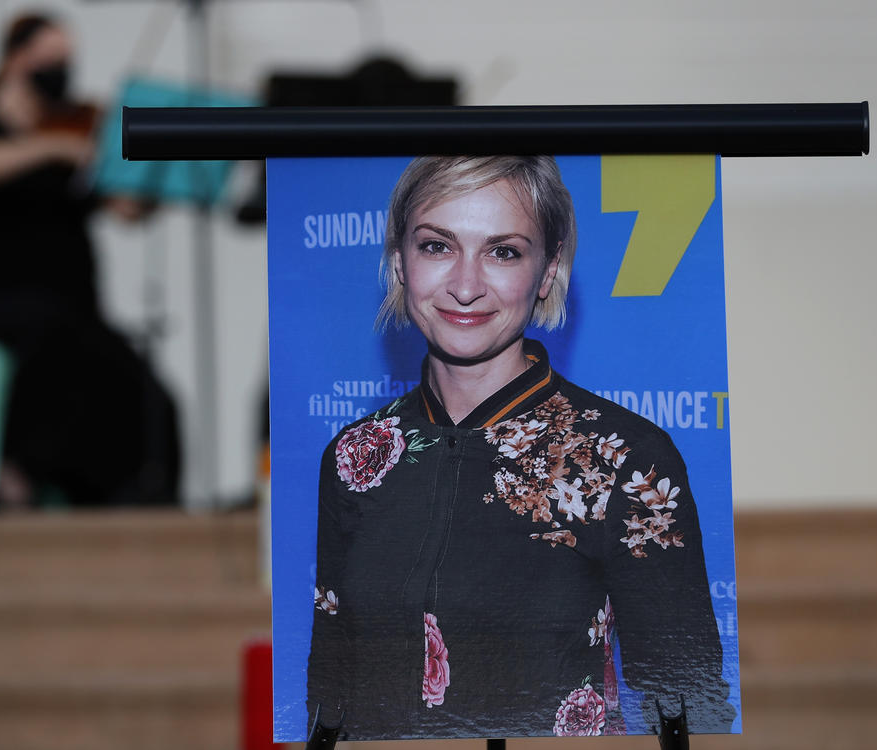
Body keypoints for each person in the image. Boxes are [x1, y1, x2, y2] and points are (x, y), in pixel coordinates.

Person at [306, 156, 735, 739]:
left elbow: (689, 706)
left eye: (502, 251)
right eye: (437, 246)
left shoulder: (624, 458)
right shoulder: (356, 457)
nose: (465, 284)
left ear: (549, 269)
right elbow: (330, 700)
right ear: (399, 261)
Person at [0, 12, 180, 508]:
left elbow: (124, 208)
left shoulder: (78, 129)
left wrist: (154, 178)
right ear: (14, 59)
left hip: (73, 313)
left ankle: (127, 495)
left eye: (66, 60)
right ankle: (22, 474)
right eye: (49, 58)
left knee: (150, 394)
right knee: (61, 347)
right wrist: (55, 145)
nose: (60, 69)